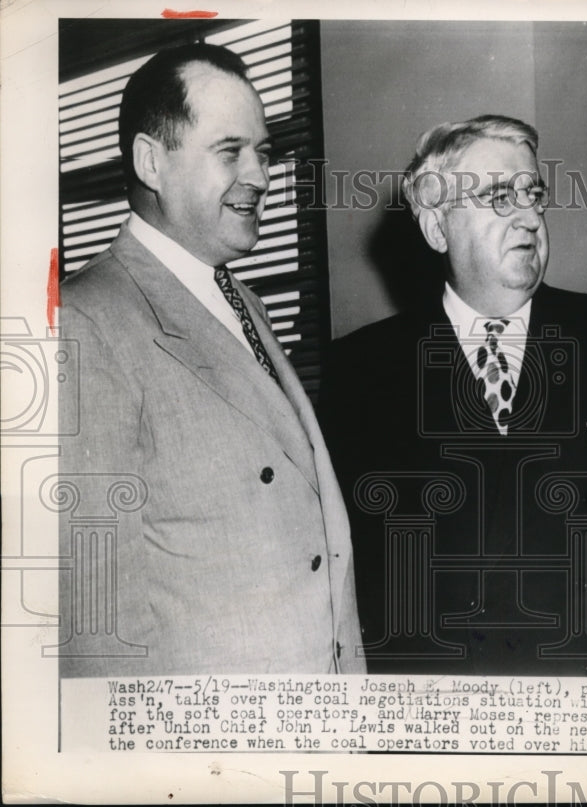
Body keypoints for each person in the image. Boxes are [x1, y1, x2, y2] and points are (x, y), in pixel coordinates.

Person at [321, 115, 587, 675]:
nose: (529, 217)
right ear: (437, 228)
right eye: (498, 196)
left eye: (533, 194)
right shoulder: (362, 371)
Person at [57, 44, 364, 676]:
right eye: (230, 152)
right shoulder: (85, 325)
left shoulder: (243, 301)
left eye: (265, 152)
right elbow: (95, 631)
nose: (260, 175)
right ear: (151, 162)